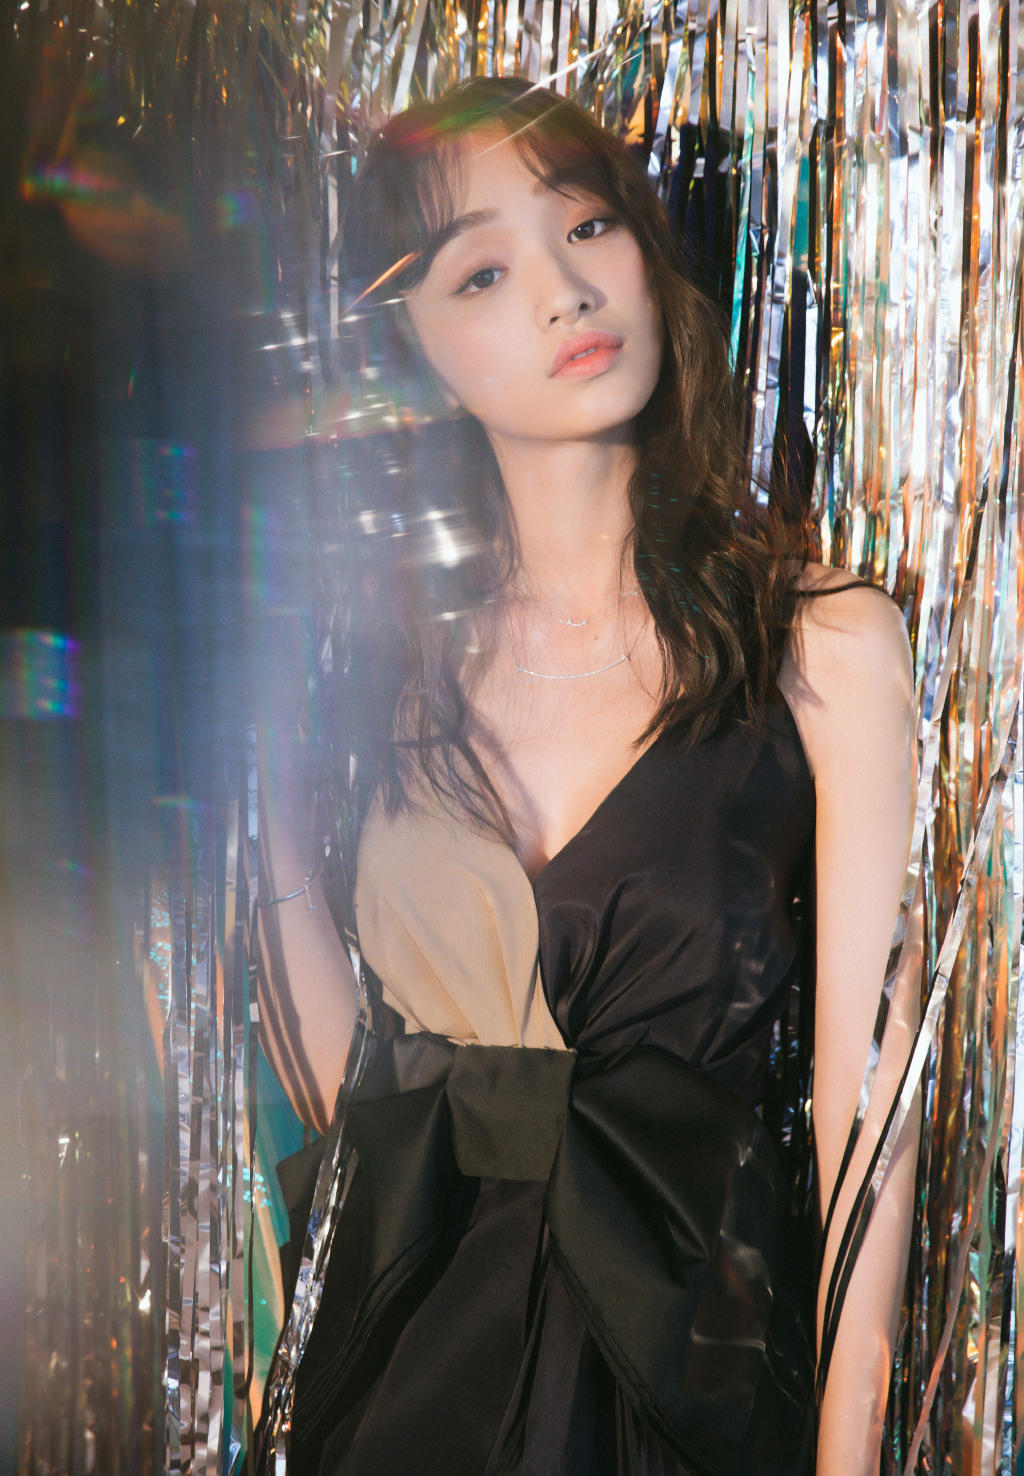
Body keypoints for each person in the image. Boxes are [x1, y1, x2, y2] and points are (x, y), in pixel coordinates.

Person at [255, 76, 920, 1476]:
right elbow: (347, 1103)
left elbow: (869, 1121)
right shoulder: (378, 675)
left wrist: (848, 1452)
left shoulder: (822, 643)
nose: (565, 292)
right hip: (410, 1387)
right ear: (414, 349)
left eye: (587, 226)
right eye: (483, 271)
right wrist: (256, 792)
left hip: (690, 1388)